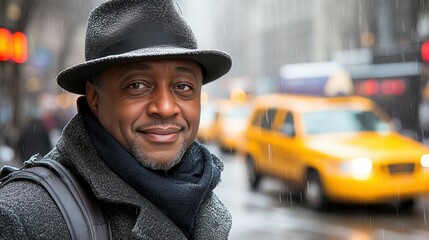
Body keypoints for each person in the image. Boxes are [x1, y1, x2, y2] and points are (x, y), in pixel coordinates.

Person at [0, 0, 232, 239]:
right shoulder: (23, 216)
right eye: (137, 85)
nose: (165, 107)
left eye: (183, 86)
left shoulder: (199, 196)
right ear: (94, 98)